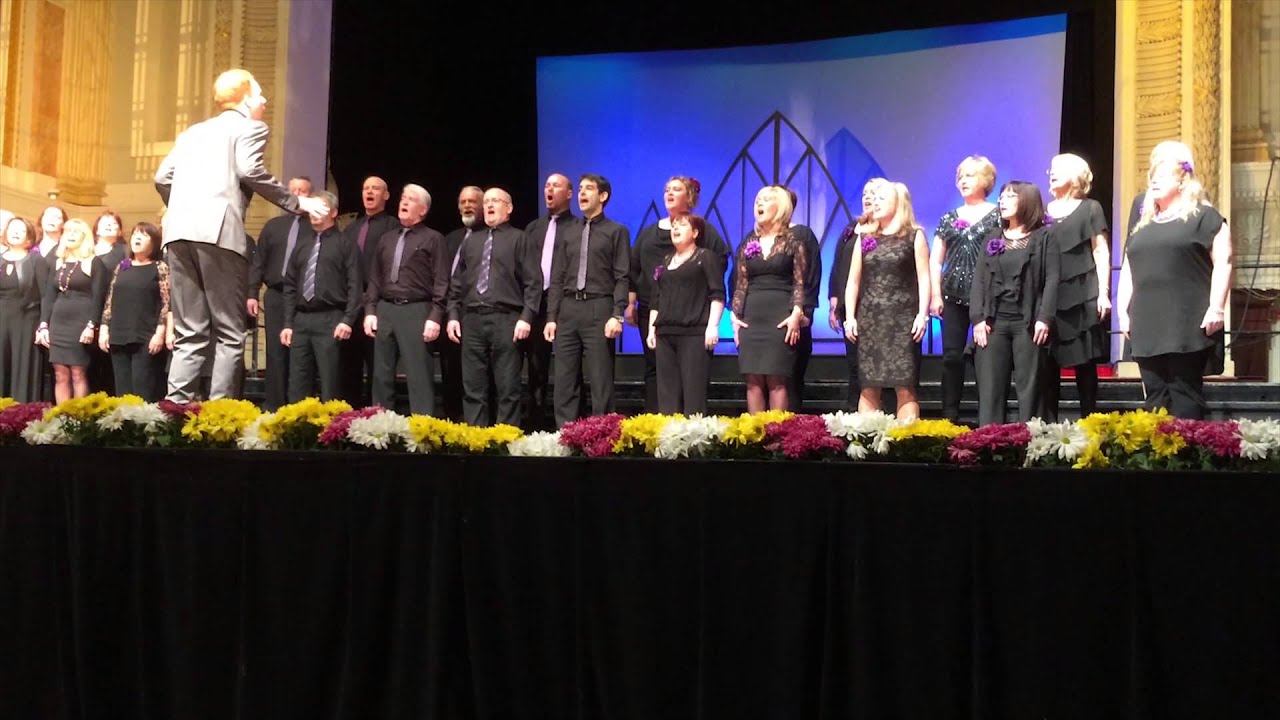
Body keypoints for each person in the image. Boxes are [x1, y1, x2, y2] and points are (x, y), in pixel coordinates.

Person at [154, 68, 328, 402]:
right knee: (230, 332)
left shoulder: (192, 132)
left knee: (190, 331)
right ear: (247, 98)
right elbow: (250, 169)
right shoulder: (250, 126)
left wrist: (183, 210)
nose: (264, 102)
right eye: (261, 96)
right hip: (219, 233)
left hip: (177, 233)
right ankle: (220, 415)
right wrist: (298, 202)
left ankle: (173, 412)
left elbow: (163, 177)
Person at [1117, 141, 1231, 419]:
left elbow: (1224, 263)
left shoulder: (1205, 218)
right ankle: (1157, 458)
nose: (1154, 180)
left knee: (1184, 392)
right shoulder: (1144, 225)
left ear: (1182, 181)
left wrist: (1216, 307)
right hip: (1147, 320)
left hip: (1185, 320)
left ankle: (1187, 457)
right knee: (1154, 394)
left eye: (1163, 175)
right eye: (1152, 175)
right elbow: (1130, 267)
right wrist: (1123, 312)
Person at [627, 176, 728, 411]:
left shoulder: (703, 231)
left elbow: (717, 266)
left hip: (691, 317)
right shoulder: (651, 233)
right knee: (656, 372)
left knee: (691, 378)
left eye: (676, 189)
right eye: (666, 190)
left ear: (689, 196)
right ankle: (656, 424)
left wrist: (696, 293)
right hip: (656, 312)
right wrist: (631, 302)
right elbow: (634, 266)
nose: (669, 193)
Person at [446, 188, 541, 426]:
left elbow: (533, 282)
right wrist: (453, 315)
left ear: (508, 208)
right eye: (486, 201)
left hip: (506, 318)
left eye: (495, 201)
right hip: (473, 319)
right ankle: (476, 440)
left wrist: (526, 317)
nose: (489, 205)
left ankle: (506, 439)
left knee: (507, 386)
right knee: (473, 386)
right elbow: (457, 283)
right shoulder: (471, 241)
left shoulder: (520, 238)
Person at [970, 181, 1060, 426]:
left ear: (1027, 201)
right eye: (1002, 196)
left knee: (1030, 391)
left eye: (1010, 196)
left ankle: (1031, 448)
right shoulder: (992, 238)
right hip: (994, 323)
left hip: (1028, 323)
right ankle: (990, 447)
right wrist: (977, 319)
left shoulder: (1044, 237)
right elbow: (979, 279)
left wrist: (1045, 317)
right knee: (990, 391)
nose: (1002, 201)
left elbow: (1052, 278)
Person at [544, 174, 630, 426]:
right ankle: (566, 433)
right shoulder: (569, 231)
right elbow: (558, 277)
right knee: (564, 378)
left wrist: (617, 314)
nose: (582, 193)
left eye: (588, 189)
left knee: (601, 378)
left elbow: (622, 276)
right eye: (580, 188)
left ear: (602, 196)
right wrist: (551, 317)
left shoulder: (616, 231)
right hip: (569, 308)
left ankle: (602, 434)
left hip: (599, 306)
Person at [843, 182, 929, 419]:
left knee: (905, 385)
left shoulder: (915, 236)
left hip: (903, 317)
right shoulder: (865, 237)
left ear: (898, 203)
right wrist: (850, 317)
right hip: (870, 317)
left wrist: (923, 314)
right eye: (875, 198)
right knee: (869, 385)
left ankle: (904, 444)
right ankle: (869, 442)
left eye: (883, 198)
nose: (876, 202)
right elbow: (853, 281)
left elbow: (924, 277)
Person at [362, 183, 450, 415]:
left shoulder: (434, 238)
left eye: (410, 199)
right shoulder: (387, 238)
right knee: (381, 374)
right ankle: (380, 427)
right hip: (385, 309)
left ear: (423, 210)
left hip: (416, 310)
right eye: (403, 198)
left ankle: (421, 428)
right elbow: (375, 277)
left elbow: (442, 281)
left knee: (418, 374)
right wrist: (370, 310)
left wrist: (435, 316)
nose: (403, 202)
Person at [929, 155, 1001, 423]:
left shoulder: (998, 215)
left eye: (969, 176)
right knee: (951, 357)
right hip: (952, 295)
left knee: (985, 358)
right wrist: (936, 294)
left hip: (987, 296)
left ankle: (989, 417)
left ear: (986, 180)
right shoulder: (949, 218)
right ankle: (950, 416)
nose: (963, 181)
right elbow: (936, 260)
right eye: (960, 176)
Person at [1042, 153, 1110, 420]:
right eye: (1051, 169)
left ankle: (1088, 422)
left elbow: (1100, 251)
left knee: (1085, 364)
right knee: (1047, 365)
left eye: (1058, 169)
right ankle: (1046, 427)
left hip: (1082, 293)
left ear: (1075, 176)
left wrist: (1103, 293)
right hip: (1050, 296)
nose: (1051, 173)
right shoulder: (1043, 212)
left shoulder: (1091, 208)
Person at [729, 186, 806, 413]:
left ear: (780, 206)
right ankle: (756, 440)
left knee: (776, 380)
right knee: (753, 381)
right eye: (757, 200)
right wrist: (734, 316)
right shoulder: (748, 243)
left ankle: (777, 437)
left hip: (780, 314)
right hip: (752, 314)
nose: (759, 204)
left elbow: (799, 282)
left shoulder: (793, 242)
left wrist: (796, 312)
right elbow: (741, 283)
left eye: (766, 200)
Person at [281, 191, 361, 403]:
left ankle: (329, 432)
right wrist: (288, 323)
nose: (315, 212)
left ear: (334, 212)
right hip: (301, 320)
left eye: (322, 207)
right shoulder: (302, 244)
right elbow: (290, 285)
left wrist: (347, 320)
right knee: (298, 381)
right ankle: (297, 430)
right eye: (312, 207)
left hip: (330, 319)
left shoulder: (345, 244)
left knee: (330, 382)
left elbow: (355, 285)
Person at [645, 214, 725, 414]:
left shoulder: (705, 257)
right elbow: (656, 299)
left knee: (693, 394)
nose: (675, 228)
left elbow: (717, 293)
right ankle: (670, 442)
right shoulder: (665, 261)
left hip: (694, 334)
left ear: (696, 233)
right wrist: (651, 330)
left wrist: (712, 326)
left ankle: (693, 442)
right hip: (665, 333)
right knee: (667, 395)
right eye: (673, 225)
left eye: (682, 225)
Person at [246, 175, 314, 410]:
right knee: (275, 353)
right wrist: (252, 292)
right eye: (292, 190)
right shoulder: (273, 226)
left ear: (310, 196)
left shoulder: (315, 228)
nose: (296, 194)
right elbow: (259, 263)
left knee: (300, 352)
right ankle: (274, 405)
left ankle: (298, 407)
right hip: (275, 295)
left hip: (303, 298)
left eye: (302, 191)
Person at [523, 173, 578, 429]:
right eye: (546, 185)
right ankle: (536, 424)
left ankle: (570, 425)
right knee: (536, 365)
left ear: (569, 193)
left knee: (569, 366)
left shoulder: (577, 228)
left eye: (556, 185)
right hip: (537, 303)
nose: (549, 189)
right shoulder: (533, 228)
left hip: (566, 304)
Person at [828, 179, 888, 410]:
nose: (867, 197)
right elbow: (838, 265)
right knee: (855, 362)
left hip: (876, 305)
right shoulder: (851, 229)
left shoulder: (887, 230)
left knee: (877, 364)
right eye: (865, 193)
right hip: (849, 306)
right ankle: (855, 412)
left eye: (873, 193)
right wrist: (835, 301)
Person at [340, 175, 398, 406]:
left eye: (376, 188)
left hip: (379, 303)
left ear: (386, 195)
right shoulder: (351, 228)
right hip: (353, 303)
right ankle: (349, 417)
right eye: (366, 188)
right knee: (349, 363)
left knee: (378, 363)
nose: (369, 192)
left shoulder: (392, 226)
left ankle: (377, 414)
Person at [97, 223, 171, 401]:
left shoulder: (159, 267)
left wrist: (160, 333)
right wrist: (104, 329)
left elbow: (166, 303)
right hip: (119, 334)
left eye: (144, 235)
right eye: (136, 234)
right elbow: (110, 299)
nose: (138, 238)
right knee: (122, 390)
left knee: (142, 389)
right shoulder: (122, 266)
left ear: (154, 242)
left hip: (144, 336)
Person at [35, 219, 98, 403]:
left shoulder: (93, 262)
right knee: (60, 374)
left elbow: (99, 297)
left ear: (84, 237)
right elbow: (49, 296)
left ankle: (80, 421)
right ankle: (63, 420)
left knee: (78, 372)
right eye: (68, 231)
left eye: (75, 232)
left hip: (80, 323)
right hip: (58, 323)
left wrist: (91, 325)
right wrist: (44, 325)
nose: (70, 235)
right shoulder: (58, 262)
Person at [438, 186, 484, 420]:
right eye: (463, 202)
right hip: (449, 313)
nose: (467, 206)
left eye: (472, 202)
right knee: (450, 371)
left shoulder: (487, 237)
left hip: (475, 314)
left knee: (475, 376)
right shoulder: (451, 238)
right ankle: (452, 421)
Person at [0, 217, 46, 401]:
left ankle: (20, 414)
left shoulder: (36, 260)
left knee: (22, 365)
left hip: (26, 319)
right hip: (1, 318)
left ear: (28, 237)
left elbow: (44, 295)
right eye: (12, 228)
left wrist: (43, 324)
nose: (16, 232)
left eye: (21, 230)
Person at [784, 188, 822, 412]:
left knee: (792, 377)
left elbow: (812, 274)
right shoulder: (756, 238)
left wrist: (805, 312)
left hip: (796, 315)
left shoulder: (803, 234)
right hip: (764, 317)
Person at [86, 211, 128, 395]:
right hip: (83, 309)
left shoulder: (123, 252)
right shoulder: (86, 250)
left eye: (114, 223)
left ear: (120, 231)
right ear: (96, 228)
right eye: (105, 222)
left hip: (110, 310)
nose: (110, 225)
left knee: (105, 362)